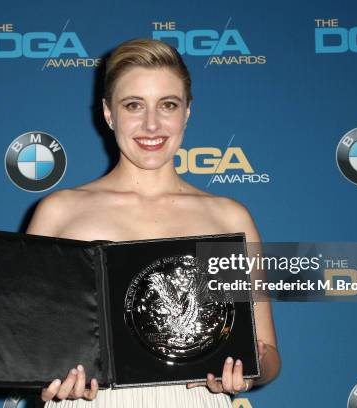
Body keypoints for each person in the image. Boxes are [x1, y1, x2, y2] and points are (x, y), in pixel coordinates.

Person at [26, 38, 280, 407]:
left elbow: (269, 354)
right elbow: (26, 347)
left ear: (187, 112)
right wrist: (47, 379)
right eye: (133, 105)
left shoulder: (227, 217)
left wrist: (249, 371)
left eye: (168, 105)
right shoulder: (59, 213)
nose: (151, 124)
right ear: (108, 113)